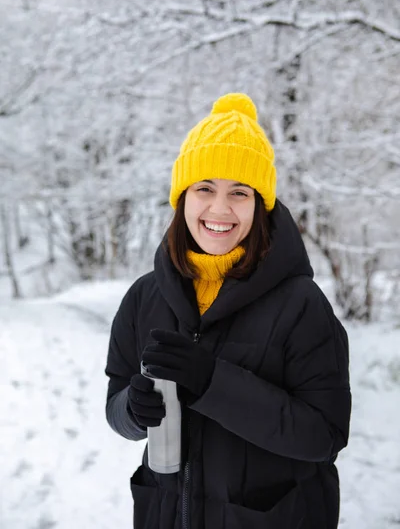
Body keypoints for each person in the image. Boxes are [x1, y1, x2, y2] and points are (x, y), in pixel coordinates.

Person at [105, 93, 351, 529]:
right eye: (204, 189)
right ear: (182, 199)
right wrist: (132, 410)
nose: (220, 209)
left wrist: (212, 383)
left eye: (239, 192)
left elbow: (323, 436)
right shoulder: (144, 298)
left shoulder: (301, 305)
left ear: (260, 205)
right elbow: (115, 406)